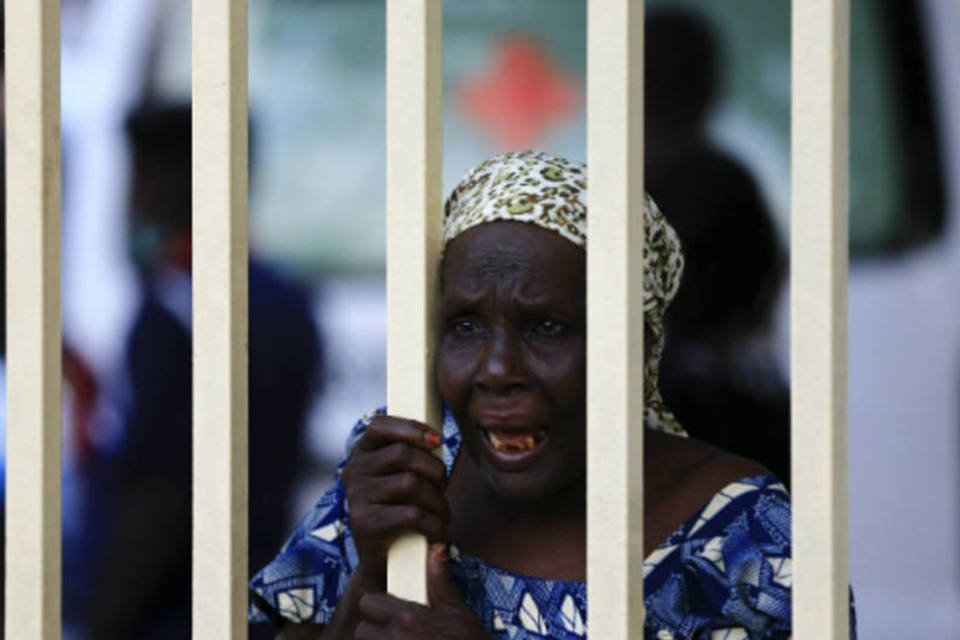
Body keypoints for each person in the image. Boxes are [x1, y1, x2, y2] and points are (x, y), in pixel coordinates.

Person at [249, 151, 853, 638]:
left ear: (635, 343)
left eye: (546, 327)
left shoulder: (748, 541)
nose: (496, 368)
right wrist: (372, 571)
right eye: (464, 326)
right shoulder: (408, 465)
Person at [75, 104, 322, 639]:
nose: (133, 191)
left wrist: (103, 621)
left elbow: (161, 494)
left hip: (166, 612)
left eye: (142, 170)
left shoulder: (175, 306)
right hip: (253, 599)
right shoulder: (288, 300)